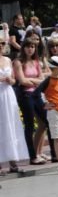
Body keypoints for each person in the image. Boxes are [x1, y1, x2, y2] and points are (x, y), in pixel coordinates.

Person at [12, 37, 52, 164]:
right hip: (25, 96)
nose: (30, 49)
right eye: (28, 46)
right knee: (29, 125)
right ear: (23, 47)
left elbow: (42, 79)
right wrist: (35, 81)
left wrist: (33, 81)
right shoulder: (18, 62)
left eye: (33, 47)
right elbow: (22, 81)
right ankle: (32, 156)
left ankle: (52, 153)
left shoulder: (36, 61)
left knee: (46, 122)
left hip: (37, 95)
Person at [0, 42, 28, 174]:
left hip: (8, 94)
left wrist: (10, 80)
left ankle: (13, 162)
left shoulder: (7, 59)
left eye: (2, 43)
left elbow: (13, 79)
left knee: (11, 124)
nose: (0, 45)